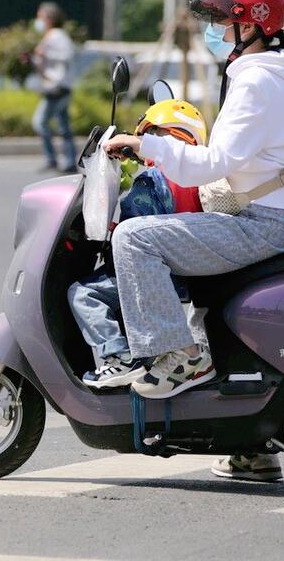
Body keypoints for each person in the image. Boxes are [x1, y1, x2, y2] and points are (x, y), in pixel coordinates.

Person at [103, 0, 284, 483]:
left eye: (221, 20)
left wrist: (145, 145)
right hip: (257, 215)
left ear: (251, 26)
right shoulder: (274, 74)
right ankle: (254, 447)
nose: (212, 30)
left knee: (134, 237)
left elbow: (214, 162)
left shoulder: (259, 82)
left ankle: (180, 357)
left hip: (254, 224)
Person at [68, 99, 207, 388]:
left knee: (83, 294)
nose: (140, 148)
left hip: (154, 273)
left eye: (148, 137)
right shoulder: (193, 176)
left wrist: (111, 229)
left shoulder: (155, 179)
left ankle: (120, 358)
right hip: (182, 271)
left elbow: (139, 229)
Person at [31, 2, 76, 172]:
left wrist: (44, 53)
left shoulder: (57, 36)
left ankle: (52, 158)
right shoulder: (51, 36)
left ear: (49, 19)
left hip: (57, 87)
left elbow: (66, 55)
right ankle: (69, 160)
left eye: (40, 16)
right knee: (64, 126)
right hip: (57, 86)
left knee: (40, 122)